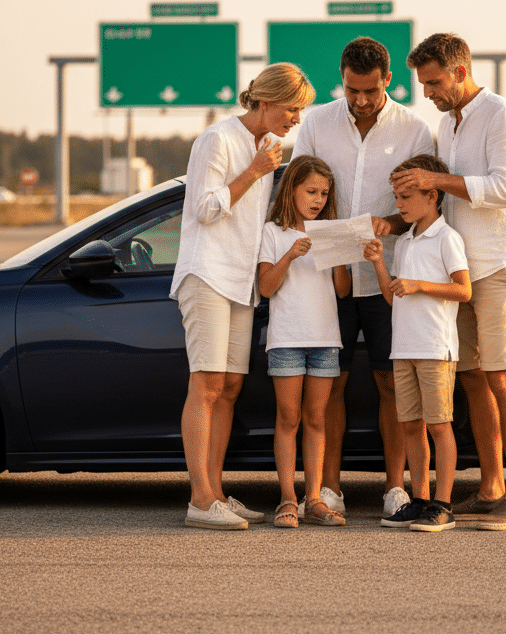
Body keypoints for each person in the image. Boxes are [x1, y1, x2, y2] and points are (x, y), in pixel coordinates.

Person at [393, 33, 506, 531]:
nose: (427, 92)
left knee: (502, 376)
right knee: (474, 379)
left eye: (433, 82)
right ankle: (491, 487)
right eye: (423, 83)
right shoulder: (446, 124)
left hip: (499, 266)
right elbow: (445, 205)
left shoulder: (502, 116)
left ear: (459, 71)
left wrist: (437, 181)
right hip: (462, 273)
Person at [294, 36, 435, 519]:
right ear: (343, 78)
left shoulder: (415, 130)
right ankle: (329, 488)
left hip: (387, 277)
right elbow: (299, 191)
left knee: (391, 382)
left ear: (387, 82)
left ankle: (395, 488)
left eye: (369, 91)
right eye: (352, 90)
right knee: (330, 382)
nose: (359, 100)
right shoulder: (316, 122)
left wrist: (390, 224)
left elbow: (422, 203)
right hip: (327, 276)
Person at [172, 62, 315, 530]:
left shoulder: (268, 148)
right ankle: (199, 499)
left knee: (230, 388)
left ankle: (215, 492)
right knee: (207, 385)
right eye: (292, 109)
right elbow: (205, 208)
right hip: (208, 275)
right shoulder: (218, 139)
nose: (296, 119)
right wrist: (254, 172)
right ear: (267, 100)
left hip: (241, 283)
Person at [365, 154, 470, 532]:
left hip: (434, 348)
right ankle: (421, 499)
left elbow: (464, 290)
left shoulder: (447, 238)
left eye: (406, 196)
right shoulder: (406, 241)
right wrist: (379, 263)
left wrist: (420, 285)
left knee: (440, 426)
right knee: (410, 425)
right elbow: (394, 296)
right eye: (396, 197)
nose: (398, 205)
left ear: (432, 194)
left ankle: (443, 505)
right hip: (404, 349)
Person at [257, 156, 351, 528]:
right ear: (291, 189)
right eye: (310, 191)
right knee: (289, 418)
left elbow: (342, 291)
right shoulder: (272, 232)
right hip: (287, 338)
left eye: (324, 193)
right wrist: (290, 254)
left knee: (316, 419)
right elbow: (266, 287)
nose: (317, 199)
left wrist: (341, 258)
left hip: (326, 338)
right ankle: (287, 498)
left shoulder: (330, 230)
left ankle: (314, 498)